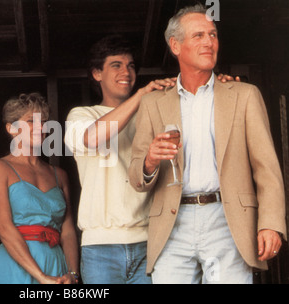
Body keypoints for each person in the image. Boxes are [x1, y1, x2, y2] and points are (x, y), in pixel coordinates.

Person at [128, 4, 286, 284]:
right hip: (172, 226)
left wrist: (271, 224)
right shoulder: (153, 103)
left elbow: (267, 169)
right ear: (175, 45)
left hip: (227, 221)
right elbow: (136, 179)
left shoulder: (245, 95)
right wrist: (150, 160)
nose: (209, 42)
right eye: (198, 35)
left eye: (212, 35)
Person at [64, 35, 240, 284]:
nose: (126, 72)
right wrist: (143, 95)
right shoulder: (82, 115)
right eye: (116, 65)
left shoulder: (153, 112)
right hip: (101, 247)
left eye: (131, 66)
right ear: (96, 74)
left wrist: (218, 89)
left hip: (152, 240)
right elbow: (92, 138)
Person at [0, 93, 79, 284]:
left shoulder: (59, 175)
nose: (40, 127)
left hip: (57, 264)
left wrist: (73, 274)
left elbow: (67, 231)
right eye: (30, 121)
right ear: (11, 128)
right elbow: (4, 228)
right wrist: (41, 277)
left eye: (43, 122)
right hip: (17, 263)